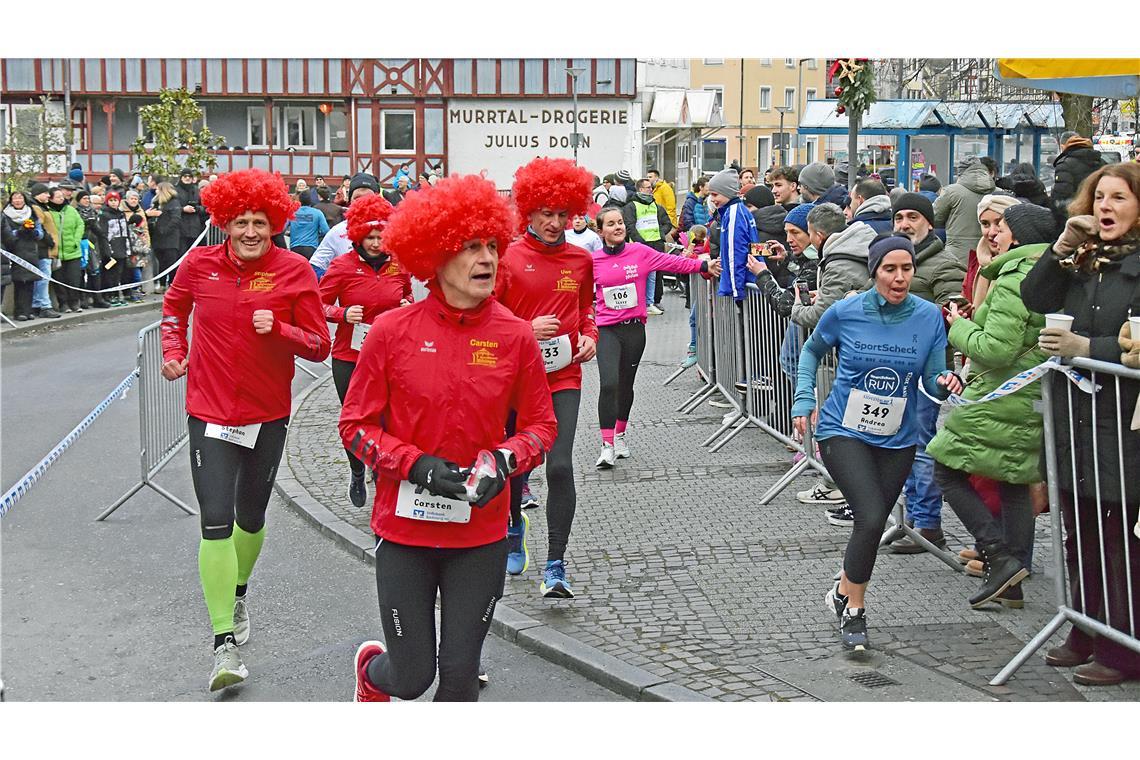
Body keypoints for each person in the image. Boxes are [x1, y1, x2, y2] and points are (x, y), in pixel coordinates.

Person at [340, 173, 556, 703]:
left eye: (490, 246)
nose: (485, 259)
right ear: (434, 256)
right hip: (405, 531)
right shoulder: (391, 332)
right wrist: (414, 465)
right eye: (468, 247)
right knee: (413, 678)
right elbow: (355, 426)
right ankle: (373, 673)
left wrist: (503, 460)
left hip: (479, 533)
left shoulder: (515, 335)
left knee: (459, 677)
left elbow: (541, 427)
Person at [160, 168, 331, 692]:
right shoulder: (200, 265)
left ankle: (237, 591)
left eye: (260, 221)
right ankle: (222, 644)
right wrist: (174, 351)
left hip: (266, 414)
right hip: (209, 412)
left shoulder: (294, 271)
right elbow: (173, 308)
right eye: (240, 222)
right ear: (224, 222)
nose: (251, 231)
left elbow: (321, 345)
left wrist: (277, 328)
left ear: (275, 223)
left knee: (249, 517)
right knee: (214, 519)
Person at [792, 233, 964, 650]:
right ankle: (855, 612)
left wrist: (945, 381)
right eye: (890, 269)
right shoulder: (846, 310)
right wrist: (803, 399)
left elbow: (931, 381)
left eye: (907, 268)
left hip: (897, 438)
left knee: (870, 527)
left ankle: (841, 591)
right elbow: (811, 350)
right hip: (842, 430)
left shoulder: (927, 317)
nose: (900, 277)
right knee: (870, 518)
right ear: (874, 273)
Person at [1021, 162, 1140, 686]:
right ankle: (1086, 627)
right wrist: (1061, 246)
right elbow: (1035, 299)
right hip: (1078, 420)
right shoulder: (1085, 260)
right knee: (1080, 530)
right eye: (1099, 198)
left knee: (1119, 537)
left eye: (1119, 197)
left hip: (1125, 426)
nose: (1105, 207)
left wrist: (1089, 349)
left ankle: (1124, 646)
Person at [927, 201, 1057, 608]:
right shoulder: (1045, 271)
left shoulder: (1017, 276)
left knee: (946, 468)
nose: (991, 233)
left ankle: (997, 556)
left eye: (999, 226)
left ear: (1017, 236)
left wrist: (957, 325)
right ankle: (1012, 580)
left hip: (1001, 394)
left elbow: (996, 349)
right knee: (1013, 481)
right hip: (1027, 395)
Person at [495, 157, 597, 596]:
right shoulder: (508, 258)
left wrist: (589, 336)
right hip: (515, 379)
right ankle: (515, 525)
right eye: (546, 214)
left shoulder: (580, 259)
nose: (555, 223)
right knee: (515, 465)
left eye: (563, 215)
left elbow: (588, 309)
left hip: (563, 376)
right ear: (529, 211)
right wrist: (524, 330)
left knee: (559, 466)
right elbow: (487, 316)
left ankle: (556, 563)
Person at [592, 206, 720, 463]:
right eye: (610, 224)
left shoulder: (640, 252)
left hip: (634, 329)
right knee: (609, 384)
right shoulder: (592, 260)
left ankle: (619, 436)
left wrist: (703, 264)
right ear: (600, 230)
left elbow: (674, 262)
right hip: (606, 329)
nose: (617, 227)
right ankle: (606, 445)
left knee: (626, 384)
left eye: (620, 223)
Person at [319, 193, 410, 509]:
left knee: (388, 418)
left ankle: (383, 471)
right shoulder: (342, 266)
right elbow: (316, 304)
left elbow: (408, 297)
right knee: (353, 420)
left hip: (389, 356)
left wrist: (406, 306)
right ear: (357, 236)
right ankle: (357, 469)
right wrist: (342, 314)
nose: (375, 243)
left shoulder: (399, 265)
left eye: (381, 236)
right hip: (349, 356)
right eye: (370, 237)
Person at [887, 192, 966, 552]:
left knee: (920, 445)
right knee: (899, 444)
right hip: (894, 366)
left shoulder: (943, 263)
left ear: (929, 224)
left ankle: (929, 524)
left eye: (912, 218)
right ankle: (914, 519)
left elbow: (954, 314)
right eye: (899, 217)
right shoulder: (895, 259)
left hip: (926, 368)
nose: (904, 224)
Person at [310, 173, 382, 277]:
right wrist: (338, 281)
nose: (362, 203)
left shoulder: (389, 229)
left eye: (368, 198)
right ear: (350, 201)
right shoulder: (338, 231)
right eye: (357, 198)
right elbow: (315, 267)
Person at [622, 177, 676, 315]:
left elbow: (667, 223)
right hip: (639, 246)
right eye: (648, 188)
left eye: (651, 188)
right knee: (637, 274)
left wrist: (660, 233)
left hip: (656, 244)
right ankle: (638, 302)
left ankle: (654, 301)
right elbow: (630, 226)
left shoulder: (656, 206)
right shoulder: (631, 206)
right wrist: (640, 241)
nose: (651, 190)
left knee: (656, 275)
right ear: (640, 189)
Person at [707, 168, 758, 303]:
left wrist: (737, 292)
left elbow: (735, 254)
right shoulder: (737, 211)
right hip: (747, 282)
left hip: (743, 287)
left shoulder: (734, 214)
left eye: (715, 194)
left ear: (727, 192)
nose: (712, 200)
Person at [934, 157, 996, 266]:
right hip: (991, 255)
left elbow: (934, 218)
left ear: (960, 174)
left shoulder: (951, 192)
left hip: (957, 257)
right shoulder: (998, 193)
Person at [2, 191, 45, 320]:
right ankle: (19, 311)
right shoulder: (5, 215)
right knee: (19, 281)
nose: (18, 201)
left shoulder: (31, 213)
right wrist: (19, 232)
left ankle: (28, 310)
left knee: (30, 282)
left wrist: (33, 232)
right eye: (15, 198)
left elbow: (40, 233)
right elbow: (6, 234)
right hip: (14, 250)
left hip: (31, 250)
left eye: (20, 198)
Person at [1050, 131, 1105, 224]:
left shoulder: (1064, 164)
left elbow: (1061, 197)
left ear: (1063, 146)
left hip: (1075, 218)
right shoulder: (1102, 162)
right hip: (1099, 215)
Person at [46, 186, 85, 313]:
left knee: (74, 278)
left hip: (73, 251)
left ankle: (74, 302)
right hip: (57, 252)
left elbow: (80, 224)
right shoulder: (48, 213)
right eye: (58, 197)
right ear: (51, 198)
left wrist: (76, 240)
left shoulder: (71, 210)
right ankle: (63, 303)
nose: (61, 199)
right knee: (59, 280)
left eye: (62, 196)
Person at [28, 183, 61, 318]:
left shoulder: (42, 206)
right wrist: (49, 241)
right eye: (45, 193)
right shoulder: (36, 208)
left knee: (42, 277)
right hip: (42, 248)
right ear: (38, 194)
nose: (48, 195)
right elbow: (39, 227)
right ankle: (44, 305)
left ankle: (38, 304)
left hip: (46, 248)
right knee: (43, 278)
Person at [148, 182, 183, 292]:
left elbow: (176, 219)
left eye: (158, 189)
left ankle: (172, 284)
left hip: (170, 238)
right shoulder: (156, 203)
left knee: (171, 262)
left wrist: (164, 230)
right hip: (157, 237)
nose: (156, 191)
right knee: (161, 262)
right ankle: (162, 284)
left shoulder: (174, 202)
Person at [284, 189, 330, 260]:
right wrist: (317, 234)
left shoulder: (292, 212)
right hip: (311, 248)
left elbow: (282, 228)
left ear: (300, 200)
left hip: (295, 248)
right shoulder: (317, 213)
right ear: (311, 200)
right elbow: (326, 231)